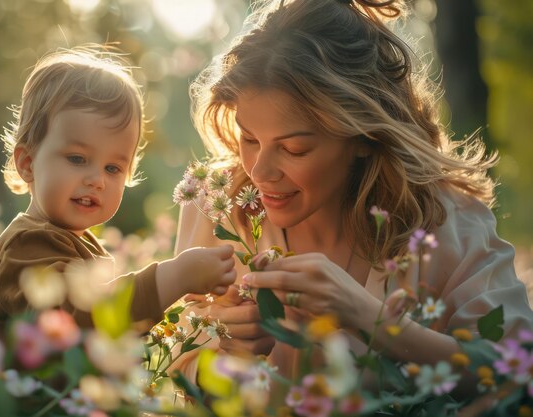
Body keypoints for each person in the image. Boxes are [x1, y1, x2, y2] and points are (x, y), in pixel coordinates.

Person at [173, 0, 533, 385]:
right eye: (249, 138)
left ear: (363, 137)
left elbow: (516, 372)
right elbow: (175, 363)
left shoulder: (449, 223)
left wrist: (374, 323)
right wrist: (225, 362)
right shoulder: (219, 206)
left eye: (294, 149)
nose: (258, 171)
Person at [0, 45, 236, 339]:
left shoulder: (76, 244)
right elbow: (79, 322)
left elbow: (109, 339)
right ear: (27, 163)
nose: (97, 180)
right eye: (77, 159)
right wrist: (173, 277)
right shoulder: (26, 245)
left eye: (112, 168)